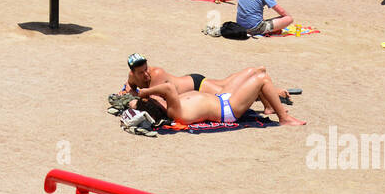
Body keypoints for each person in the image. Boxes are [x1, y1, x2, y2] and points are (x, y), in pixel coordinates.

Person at [127, 69, 304, 127]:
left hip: (222, 98)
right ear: (157, 105)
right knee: (261, 79)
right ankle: (284, 118)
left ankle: (270, 107)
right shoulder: (173, 109)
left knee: (258, 70)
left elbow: (135, 104)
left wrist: (135, 100)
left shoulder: (169, 105)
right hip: (228, 108)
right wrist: (143, 93)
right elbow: (167, 88)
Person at [122, 54, 294, 110]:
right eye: (141, 72)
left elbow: (153, 102)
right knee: (226, 83)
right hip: (190, 85)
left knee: (228, 92)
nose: (146, 74)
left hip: (196, 85)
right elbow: (129, 86)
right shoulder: (132, 77)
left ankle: (264, 82)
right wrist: (127, 90)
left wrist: (134, 98)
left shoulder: (156, 74)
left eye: (146, 68)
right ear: (132, 73)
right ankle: (262, 81)